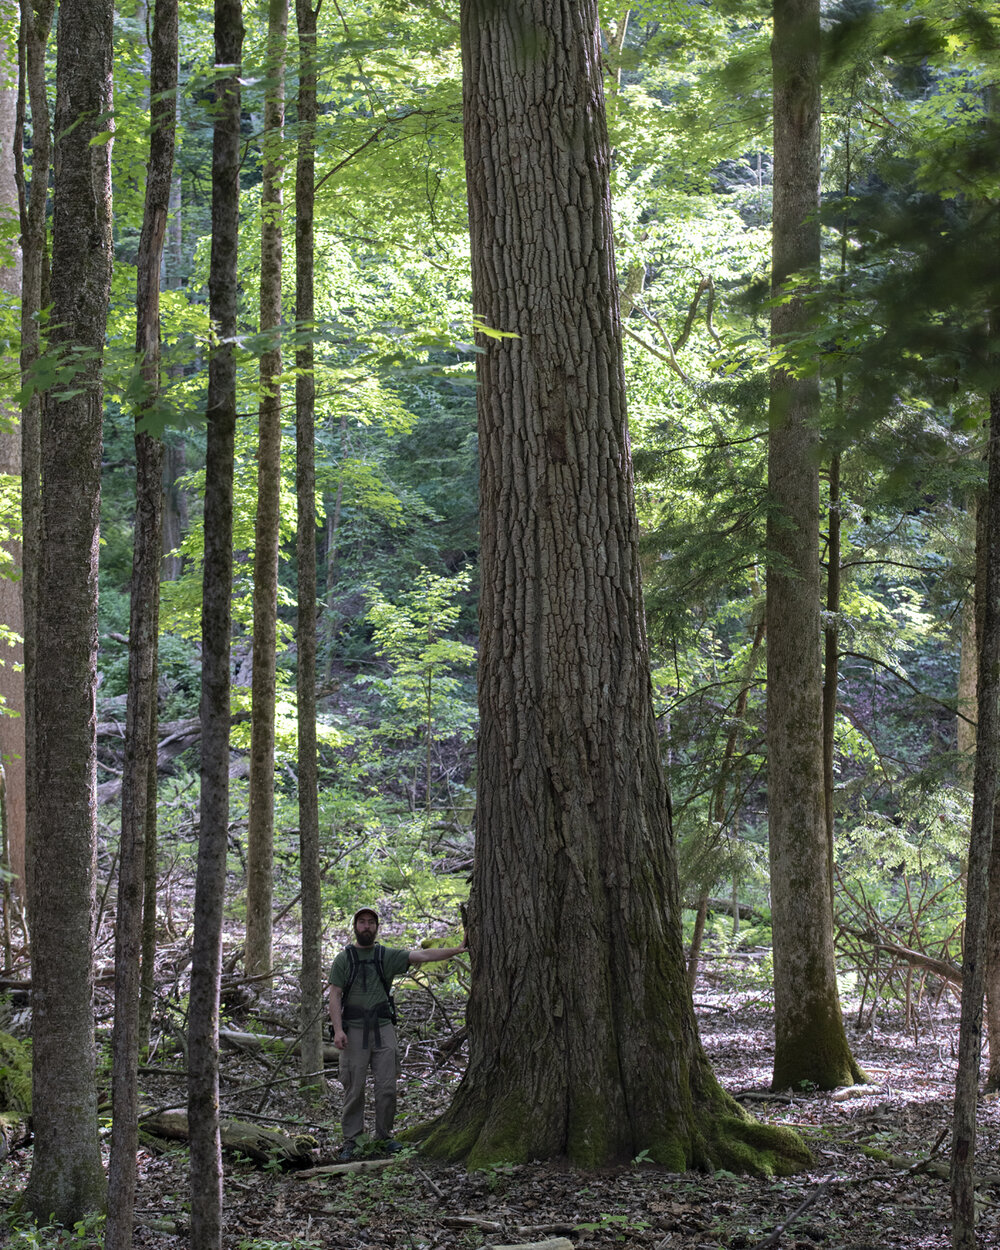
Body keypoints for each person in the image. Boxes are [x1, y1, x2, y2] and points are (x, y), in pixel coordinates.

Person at [328, 906, 467, 1159]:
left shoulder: (386, 956)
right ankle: (352, 1140)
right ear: (355, 927)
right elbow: (334, 995)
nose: (366, 926)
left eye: (371, 922)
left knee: (387, 1087)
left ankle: (384, 1137)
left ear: (377, 928)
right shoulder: (344, 959)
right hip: (353, 1032)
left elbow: (423, 955)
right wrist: (338, 1030)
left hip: (383, 1029)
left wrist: (456, 949)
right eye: (362, 922)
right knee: (353, 1087)